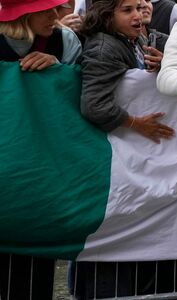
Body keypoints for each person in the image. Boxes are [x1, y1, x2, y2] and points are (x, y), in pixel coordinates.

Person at [0, 0, 83, 298]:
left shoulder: (66, 40)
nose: (56, 14)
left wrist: (60, 72)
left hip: (43, 173)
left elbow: (89, 91)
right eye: (46, 7)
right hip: (6, 170)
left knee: (36, 273)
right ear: (22, 12)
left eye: (57, 6)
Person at [81, 0, 173, 142]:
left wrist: (162, 66)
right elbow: (94, 106)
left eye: (138, 8)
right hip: (120, 142)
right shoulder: (102, 51)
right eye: (127, 10)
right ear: (107, 15)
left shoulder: (132, 37)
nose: (138, 15)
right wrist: (136, 123)